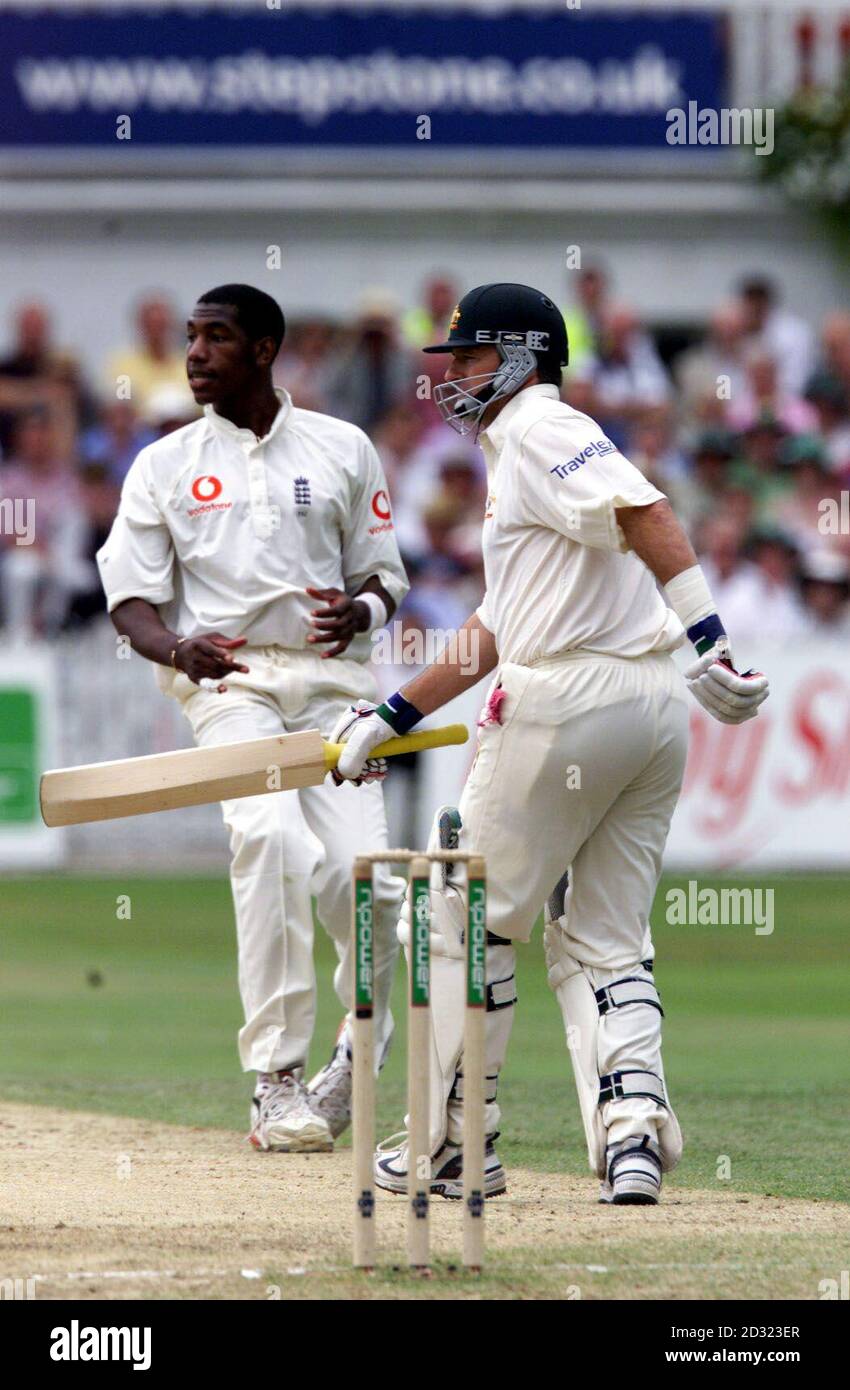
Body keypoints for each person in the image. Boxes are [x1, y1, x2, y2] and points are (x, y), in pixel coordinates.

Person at [331, 282, 769, 1206]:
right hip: (647, 713)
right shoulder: (520, 451)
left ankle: (453, 1148)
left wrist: (714, 641)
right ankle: (633, 1135)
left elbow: (646, 510)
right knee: (606, 934)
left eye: (469, 357)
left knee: (457, 916)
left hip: (572, 699)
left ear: (524, 357)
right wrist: (391, 716)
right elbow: (500, 621)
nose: (449, 376)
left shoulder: (539, 427)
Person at [96, 283, 409, 1153]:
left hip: (337, 687)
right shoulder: (162, 464)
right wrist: (174, 651)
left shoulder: (343, 446)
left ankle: (356, 1052)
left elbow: (385, 574)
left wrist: (364, 614)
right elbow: (129, 598)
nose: (195, 353)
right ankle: (274, 1080)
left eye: (217, 338)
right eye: (192, 338)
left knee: (366, 879)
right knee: (269, 840)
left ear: (265, 350)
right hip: (231, 685)